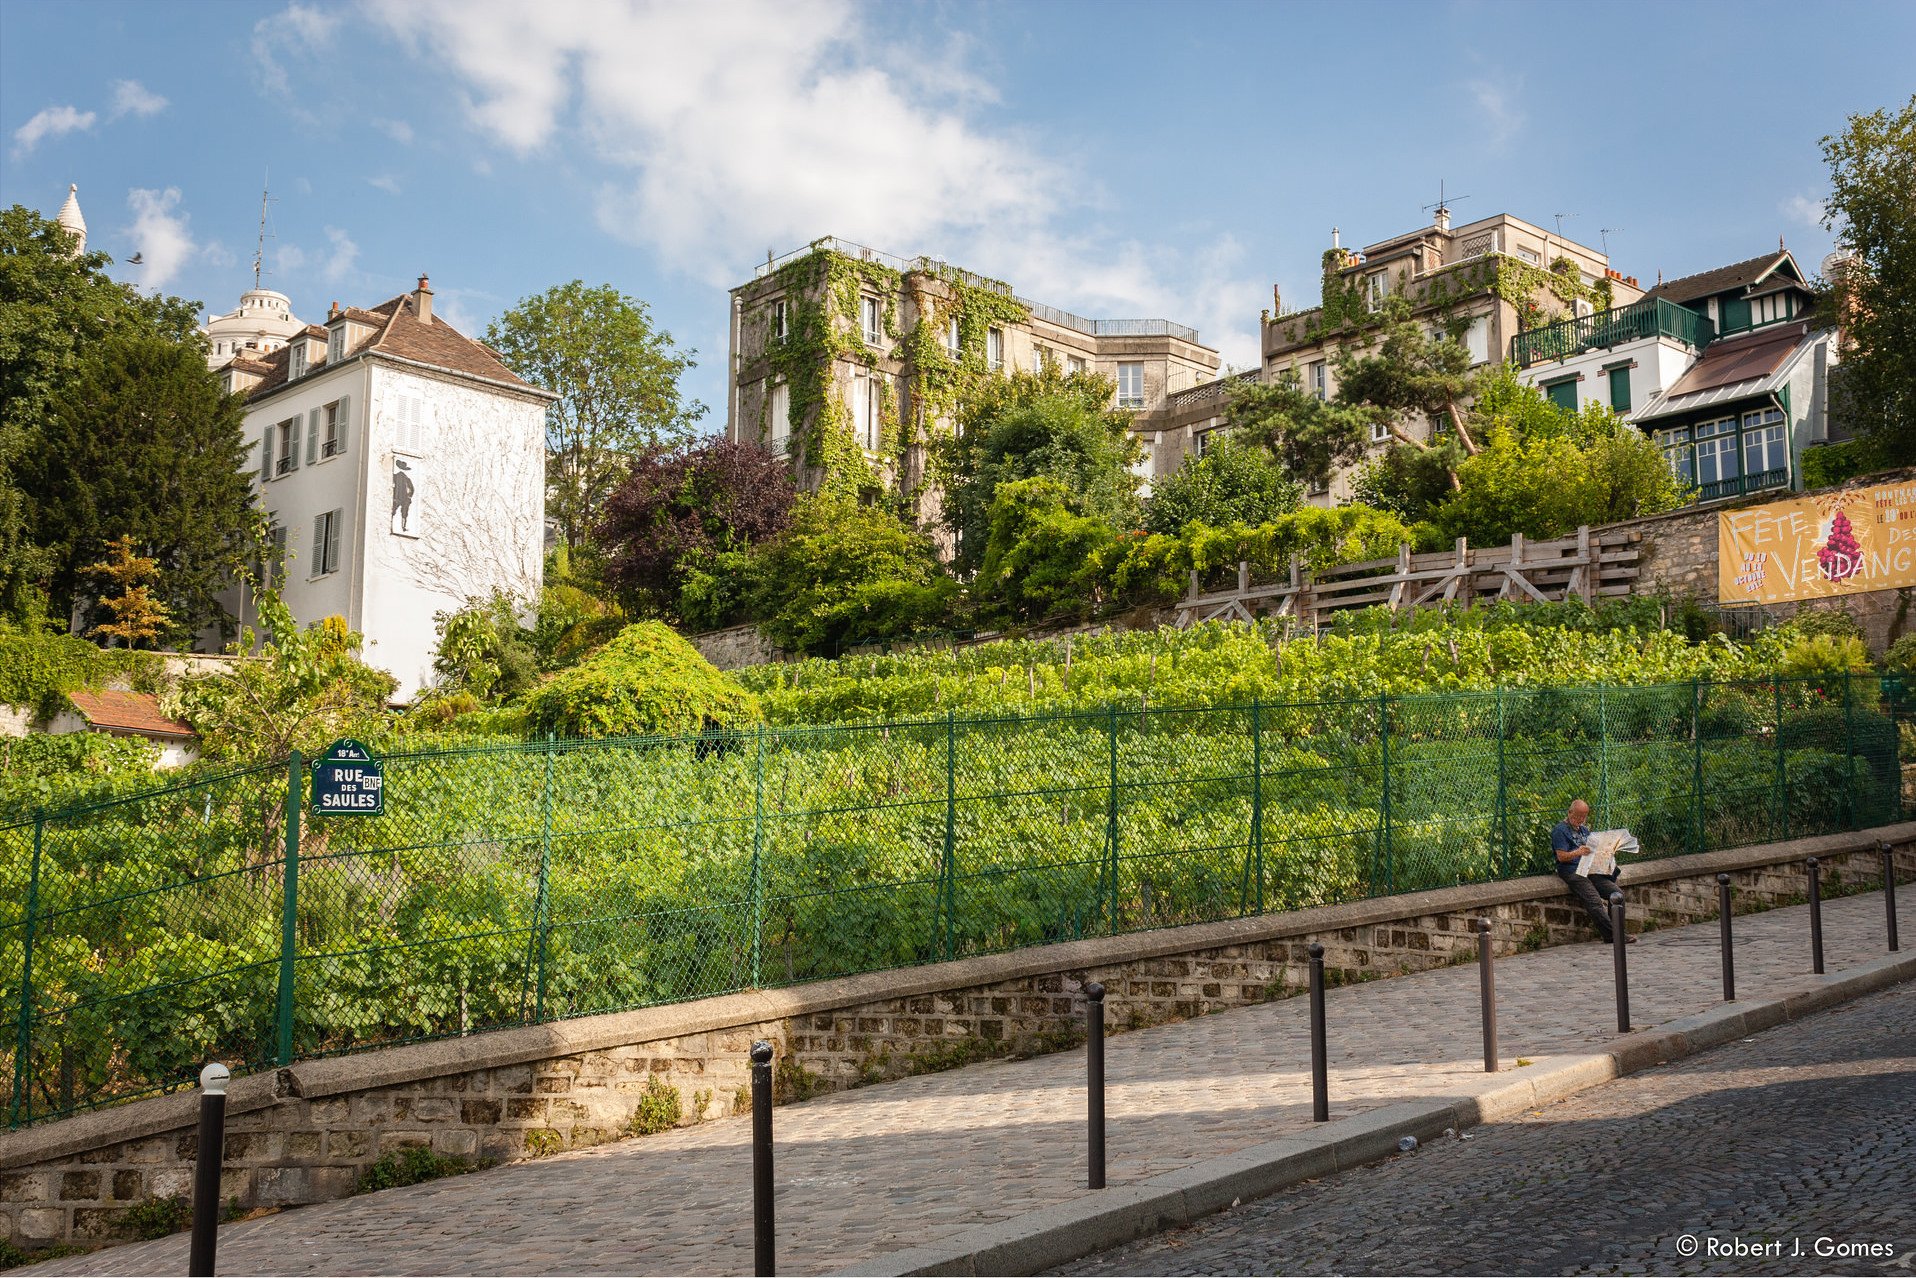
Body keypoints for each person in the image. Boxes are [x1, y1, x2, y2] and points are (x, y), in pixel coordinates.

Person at [1550, 799, 1630, 944]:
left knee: (1617, 894)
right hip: (1571, 870)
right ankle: (1613, 935)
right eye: (1577, 817)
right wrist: (1577, 852)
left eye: (1583, 817)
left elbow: (1593, 851)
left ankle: (1618, 931)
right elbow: (1561, 857)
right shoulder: (1560, 831)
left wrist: (1607, 852)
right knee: (1594, 900)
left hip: (1589, 868)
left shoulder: (1585, 831)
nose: (1580, 820)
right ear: (1569, 813)